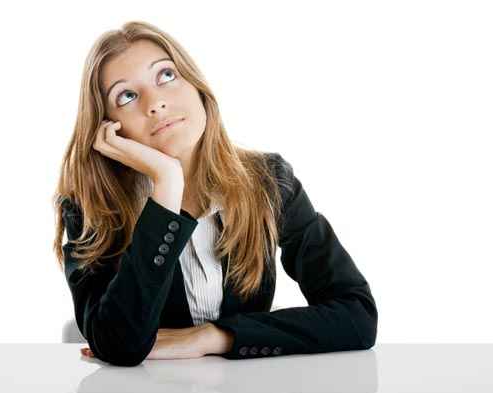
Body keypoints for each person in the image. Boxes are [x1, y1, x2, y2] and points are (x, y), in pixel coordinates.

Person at [52, 20, 378, 367]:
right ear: (108, 127)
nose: (155, 103)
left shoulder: (269, 181)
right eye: (127, 96)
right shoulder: (90, 208)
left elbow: (356, 315)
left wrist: (213, 337)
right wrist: (167, 185)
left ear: (197, 86)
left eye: (166, 75)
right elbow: (118, 346)